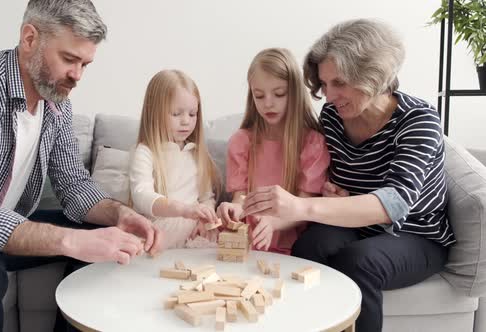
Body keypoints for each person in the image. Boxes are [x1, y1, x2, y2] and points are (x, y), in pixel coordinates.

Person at [0, 1, 160, 331]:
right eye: (68, 59)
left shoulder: (56, 102)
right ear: (30, 38)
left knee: (104, 236)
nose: (77, 75)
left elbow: (74, 185)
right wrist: (72, 242)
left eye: (85, 64)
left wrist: (120, 214)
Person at [240, 19, 455, 331]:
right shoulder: (333, 117)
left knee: (359, 261)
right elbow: (335, 181)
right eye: (325, 85)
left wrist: (299, 206)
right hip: (359, 227)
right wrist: (335, 193)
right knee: (309, 246)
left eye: (339, 83)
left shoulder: (418, 120)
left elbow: (395, 203)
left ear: (371, 75)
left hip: (416, 234)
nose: (329, 95)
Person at [217, 48, 329, 254]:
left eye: (279, 94)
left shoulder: (313, 144)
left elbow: (305, 206)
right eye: (259, 96)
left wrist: (273, 223)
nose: (268, 103)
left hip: (294, 248)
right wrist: (233, 209)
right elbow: (241, 200)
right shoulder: (241, 142)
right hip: (248, 245)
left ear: (294, 92)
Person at [129, 69, 221, 251]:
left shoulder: (197, 153)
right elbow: (142, 196)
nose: (186, 121)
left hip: (193, 237)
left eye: (192, 114)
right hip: (159, 236)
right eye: (176, 114)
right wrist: (184, 210)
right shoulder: (145, 152)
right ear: (154, 112)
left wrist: (205, 218)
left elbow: (206, 198)